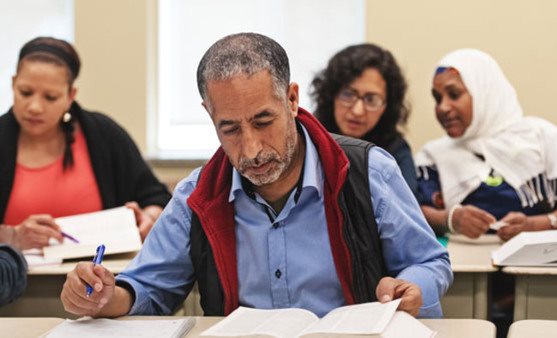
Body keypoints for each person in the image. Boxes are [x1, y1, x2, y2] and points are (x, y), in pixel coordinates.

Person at [60, 33, 452, 319]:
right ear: (208, 113)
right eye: (229, 128)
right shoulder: (198, 196)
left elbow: (431, 262)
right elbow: (147, 287)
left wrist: (412, 286)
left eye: (263, 120)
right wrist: (105, 298)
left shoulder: (368, 172)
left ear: (293, 99)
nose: (251, 149)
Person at [0, 37, 171, 249]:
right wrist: (11, 237)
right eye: (25, 92)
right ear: (13, 83)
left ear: (71, 96)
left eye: (50, 97)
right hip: (13, 279)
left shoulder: (103, 135)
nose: (34, 106)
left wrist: (148, 218)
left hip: (100, 276)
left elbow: (157, 198)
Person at [416, 48, 557, 240]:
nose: (443, 107)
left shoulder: (543, 139)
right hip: (462, 264)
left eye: (454, 94)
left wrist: (534, 225)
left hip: (542, 262)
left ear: (484, 93)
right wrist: (450, 219)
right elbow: (413, 213)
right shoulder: (433, 156)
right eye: (437, 98)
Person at [311, 44, 418, 196]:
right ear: (331, 95)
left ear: (386, 106)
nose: (358, 111)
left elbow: (406, 207)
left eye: (371, 99)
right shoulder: (309, 139)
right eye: (348, 94)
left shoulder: (395, 150)